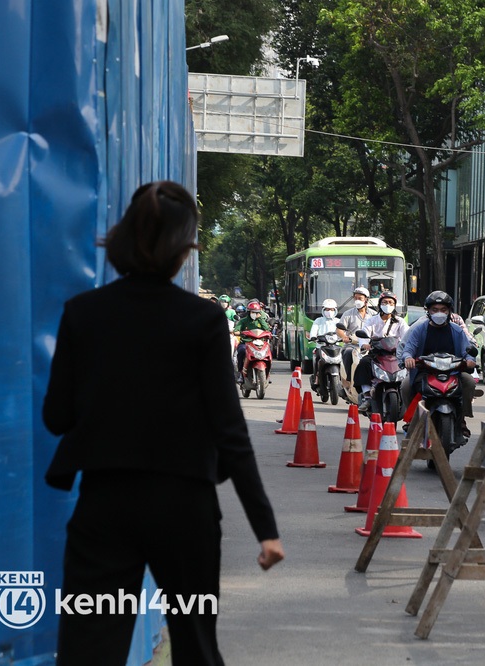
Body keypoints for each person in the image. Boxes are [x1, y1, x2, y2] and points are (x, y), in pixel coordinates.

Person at [42, 181, 283, 666]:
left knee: (89, 651)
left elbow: (57, 418)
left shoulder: (82, 314)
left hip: (104, 508)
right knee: (195, 646)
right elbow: (229, 430)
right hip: (185, 511)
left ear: (125, 239)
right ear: (183, 250)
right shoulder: (203, 320)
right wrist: (265, 529)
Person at [400, 290, 477, 437]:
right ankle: (412, 419)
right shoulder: (419, 329)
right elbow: (408, 349)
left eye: (443, 310)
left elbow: (466, 350)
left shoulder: (457, 330)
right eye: (435, 310)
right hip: (424, 373)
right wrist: (408, 358)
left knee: (469, 382)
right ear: (428, 311)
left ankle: (462, 419)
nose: (439, 313)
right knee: (405, 385)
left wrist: (470, 361)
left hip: (453, 372)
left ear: (449, 312)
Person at [354, 291, 409, 412]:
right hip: (377, 354)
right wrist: (365, 344)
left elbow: (407, 336)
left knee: (410, 369)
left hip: (395, 355)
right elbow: (364, 335)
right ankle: (367, 395)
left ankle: (409, 400)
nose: (387, 304)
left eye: (390, 302)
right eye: (385, 302)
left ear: (394, 305)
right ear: (380, 304)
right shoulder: (371, 320)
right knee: (364, 364)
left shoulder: (400, 321)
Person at [336, 287, 372, 391]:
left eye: (360, 298)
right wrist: (344, 337)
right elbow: (339, 329)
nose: (357, 300)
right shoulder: (348, 314)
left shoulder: (374, 315)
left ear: (366, 300)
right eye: (355, 298)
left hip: (369, 346)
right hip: (353, 345)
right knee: (347, 353)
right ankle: (348, 381)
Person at [233, 302, 272, 383]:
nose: (255, 314)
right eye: (253, 312)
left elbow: (267, 330)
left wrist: (260, 319)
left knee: (267, 353)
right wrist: (240, 332)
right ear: (249, 312)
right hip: (246, 343)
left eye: (257, 312)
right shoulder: (243, 321)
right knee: (241, 351)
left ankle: (267, 374)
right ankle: (240, 373)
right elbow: (236, 330)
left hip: (259, 343)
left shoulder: (261, 320)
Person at [308, 299, 341, 390]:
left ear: (335, 310)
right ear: (323, 310)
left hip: (335, 346)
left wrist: (346, 337)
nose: (329, 312)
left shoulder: (338, 321)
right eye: (327, 309)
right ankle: (317, 378)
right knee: (317, 359)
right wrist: (313, 337)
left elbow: (343, 331)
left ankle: (344, 380)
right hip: (321, 346)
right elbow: (314, 330)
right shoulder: (318, 320)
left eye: (331, 309)